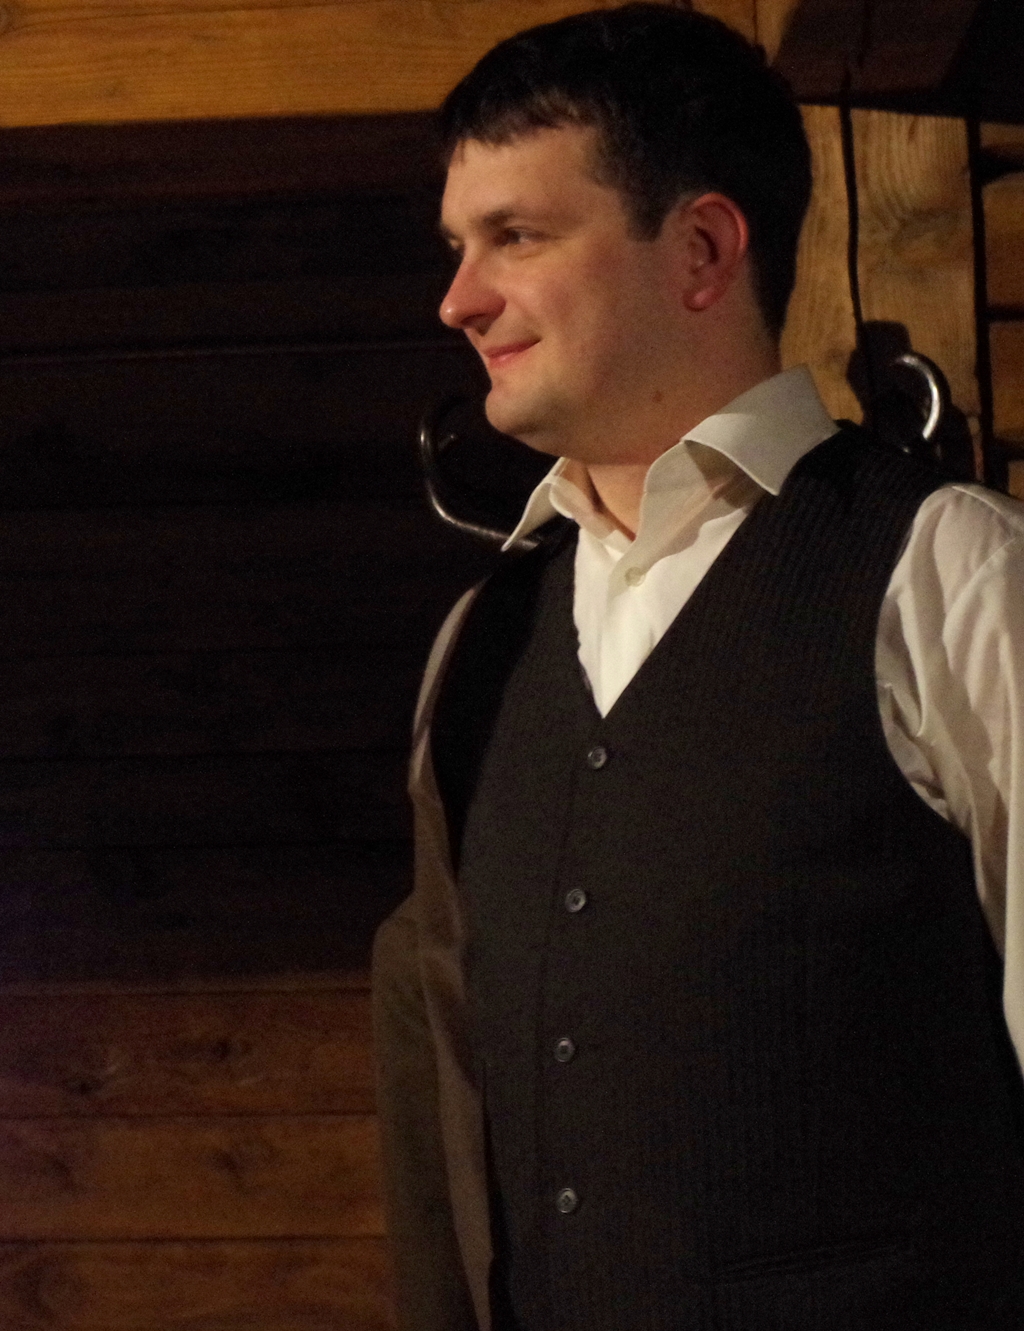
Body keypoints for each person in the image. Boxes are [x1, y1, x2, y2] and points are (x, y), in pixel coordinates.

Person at [371, 7, 1024, 1330]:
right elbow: (452, 1097)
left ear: (703, 249)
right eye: (457, 246)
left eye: (516, 235)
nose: (459, 299)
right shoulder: (480, 640)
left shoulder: (946, 569)